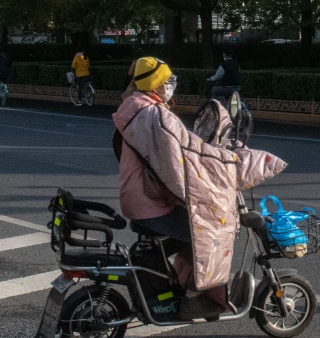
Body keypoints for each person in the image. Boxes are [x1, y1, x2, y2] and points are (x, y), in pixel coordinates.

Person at [112, 57, 284, 319]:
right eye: (167, 81)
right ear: (155, 84)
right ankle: (197, 298)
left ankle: (178, 288)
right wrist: (228, 162)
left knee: (190, 232)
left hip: (141, 197)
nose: (171, 85)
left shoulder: (133, 109)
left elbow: (176, 153)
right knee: (207, 232)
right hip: (150, 203)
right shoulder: (155, 116)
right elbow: (180, 160)